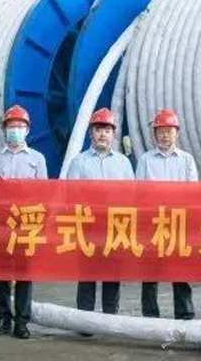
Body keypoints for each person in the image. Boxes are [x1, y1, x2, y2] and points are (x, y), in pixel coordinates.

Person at [64, 108, 134, 330]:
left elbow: (131, 197)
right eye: (98, 129)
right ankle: (85, 322)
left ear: (113, 134)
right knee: (87, 275)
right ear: (90, 133)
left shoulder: (123, 163)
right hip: (88, 228)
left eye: (107, 130)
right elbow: (71, 196)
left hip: (115, 227)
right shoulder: (78, 162)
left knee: (112, 275)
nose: (102, 134)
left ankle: (110, 320)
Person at [0, 105, 47, 340]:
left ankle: (22, 322)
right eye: (11, 126)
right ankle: (3, 319)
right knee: (1, 273)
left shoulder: (37, 159)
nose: (15, 130)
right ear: (4, 129)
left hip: (25, 223)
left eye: (20, 126)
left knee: (23, 274)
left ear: (27, 130)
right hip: (1, 222)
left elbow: (44, 193)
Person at [136, 108, 198, 320]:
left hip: (179, 222)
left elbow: (192, 192)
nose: (164, 136)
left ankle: (184, 312)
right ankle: (150, 314)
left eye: (168, 131)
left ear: (177, 133)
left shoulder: (187, 160)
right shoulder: (145, 160)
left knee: (181, 269)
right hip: (152, 222)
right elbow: (139, 192)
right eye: (160, 131)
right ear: (155, 134)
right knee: (150, 271)